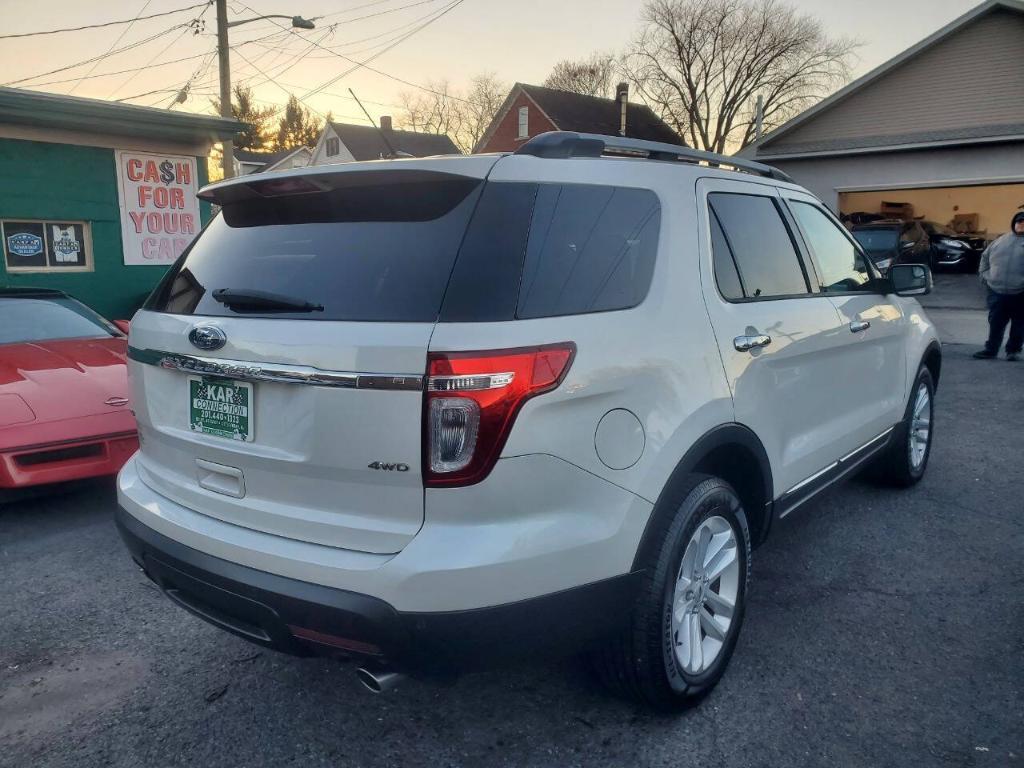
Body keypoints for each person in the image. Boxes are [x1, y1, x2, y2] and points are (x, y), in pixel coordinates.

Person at [974, 211, 1024, 361]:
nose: (1021, 224)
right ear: (1013, 223)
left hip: (1020, 292)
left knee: (1019, 325)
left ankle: (1013, 351)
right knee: (995, 322)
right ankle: (991, 350)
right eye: (1019, 221)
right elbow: (985, 257)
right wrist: (984, 275)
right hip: (996, 291)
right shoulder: (1001, 240)